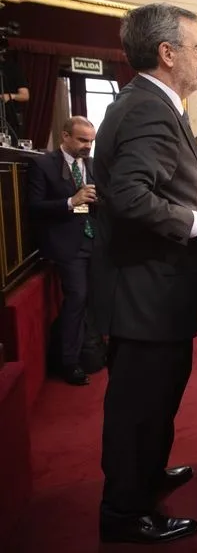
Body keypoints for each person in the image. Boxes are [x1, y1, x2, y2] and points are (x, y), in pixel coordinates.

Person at [90, 3, 197, 544]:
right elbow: (130, 195)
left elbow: (161, 184)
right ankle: (124, 512)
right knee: (139, 407)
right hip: (145, 293)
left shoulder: (157, 103)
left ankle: (147, 477)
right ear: (168, 52)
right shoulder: (146, 108)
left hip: (159, 291)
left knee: (157, 402)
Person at [26, 116, 100, 386]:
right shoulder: (43, 164)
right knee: (77, 298)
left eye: (91, 141)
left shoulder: (92, 165)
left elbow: (93, 205)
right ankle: (69, 362)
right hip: (66, 244)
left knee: (94, 298)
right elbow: (34, 208)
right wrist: (71, 201)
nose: (87, 146)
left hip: (95, 240)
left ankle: (92, 351)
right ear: (65, 136)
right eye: (82, 140)